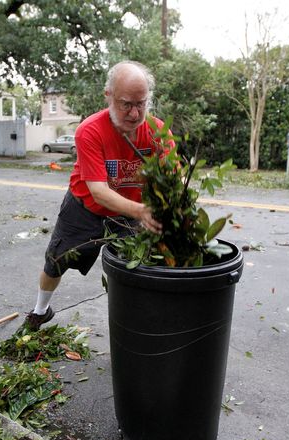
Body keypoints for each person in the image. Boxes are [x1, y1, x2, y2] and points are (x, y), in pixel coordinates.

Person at [23, 60, 172, 331]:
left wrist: (174, 195)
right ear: (108, 96)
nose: (135, 113)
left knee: (136, 269)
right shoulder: (90, 130)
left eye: (142, 103)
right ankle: (40, 310)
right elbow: (99, 192)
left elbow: (173, 175)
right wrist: (142, 212)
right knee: (56, 262)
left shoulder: (158, 132)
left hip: (128, 214)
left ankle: (138, 323)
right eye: (126, 104)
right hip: (84, 209)